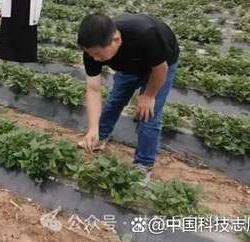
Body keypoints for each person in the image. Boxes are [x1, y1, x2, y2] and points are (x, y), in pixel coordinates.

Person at [77, 13, 180, 182]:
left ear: (115, 40)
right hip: (129, 65)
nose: (95, 58)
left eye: (97, 53)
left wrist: (148, 95)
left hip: (160, 65)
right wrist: (92, 127)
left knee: (148, 114)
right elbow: (93, 89)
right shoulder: (92, 51)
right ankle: (99, 136)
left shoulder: (147, 35)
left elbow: (160, 69)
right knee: (116, 99)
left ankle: (143, 164)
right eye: (90, 53)